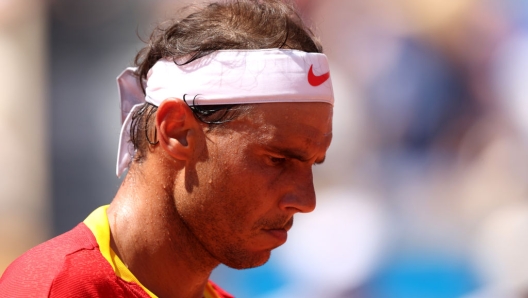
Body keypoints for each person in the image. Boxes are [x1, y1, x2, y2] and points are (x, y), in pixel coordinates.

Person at [0, 0, 334, 297]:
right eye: (277, 159)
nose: (306, 201)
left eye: (313, 163)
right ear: (176, 131)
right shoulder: (54, 287)